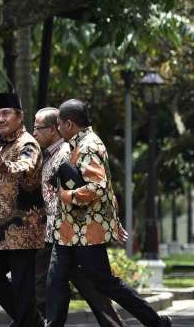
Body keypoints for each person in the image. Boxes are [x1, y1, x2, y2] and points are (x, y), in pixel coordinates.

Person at [45, 99, 171, 327]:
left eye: (59, 124)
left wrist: (65, 195)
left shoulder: (89, 146)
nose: (58, 128)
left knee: (105, 283)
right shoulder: (78, 143)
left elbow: (98, 187)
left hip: (85, 232)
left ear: (69, 124)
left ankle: (154, 321)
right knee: (56, 280)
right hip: (70, 232)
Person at [32, 107, 125, 327]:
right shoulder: (50, 155)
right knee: (61, 284)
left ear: (56, 128)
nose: (33, 132)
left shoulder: (69, 152)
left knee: (91, 285)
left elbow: (93, 190)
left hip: (71, 231)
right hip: (58, 232)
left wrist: (112, 221)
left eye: (38, 128)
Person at [0, 92, 44, 327]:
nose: (0, 119)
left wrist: (6, 166)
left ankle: (30, 322)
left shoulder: (27, 143)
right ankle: (32, 321)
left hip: (23, 230)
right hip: (2, 231)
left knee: (22, 286)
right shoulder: (5, 145)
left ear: (20, 116)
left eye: (6, 113)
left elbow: (26, 164)